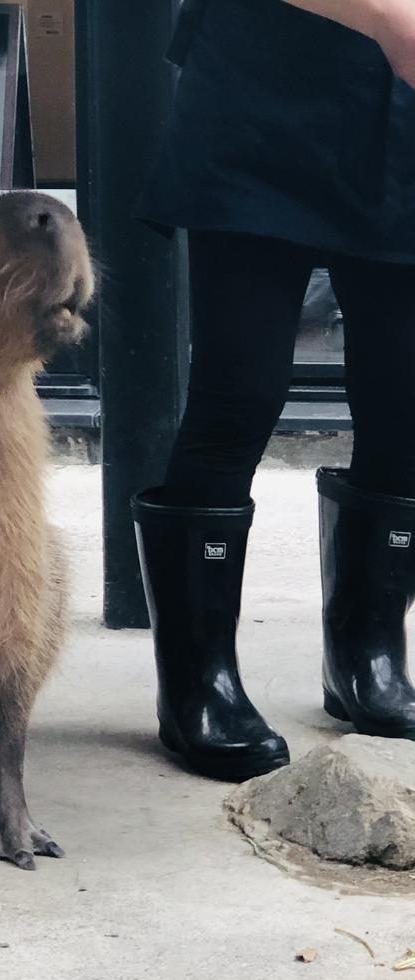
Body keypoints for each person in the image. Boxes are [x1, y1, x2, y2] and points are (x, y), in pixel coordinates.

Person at [132, 0, 415, 782]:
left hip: (403, 110)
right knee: (240, 388)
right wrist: (387, 17)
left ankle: (368, 653)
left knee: (406, 393)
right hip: (265, 89)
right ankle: (198, 685)